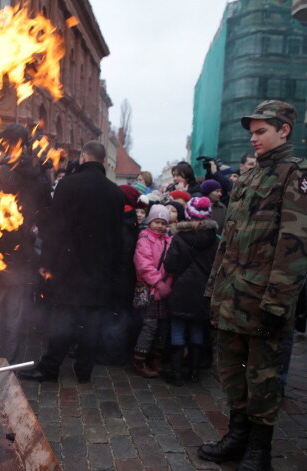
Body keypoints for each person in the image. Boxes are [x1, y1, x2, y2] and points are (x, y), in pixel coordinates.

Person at [199, 100, 307, 471]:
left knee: (262, 377)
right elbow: (227, 240)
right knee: (232, 370)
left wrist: (277, 302)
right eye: (252, 131)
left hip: (264, 300)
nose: (253, 137)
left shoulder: (295, 175)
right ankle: (236, 438)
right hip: (233, 297)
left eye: (262, 131)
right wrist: (214, 289)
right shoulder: (248, 178)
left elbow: (295, 245)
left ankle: (259, 451)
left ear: (284, 130)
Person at [19, 141, 124, 383]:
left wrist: (46, 262)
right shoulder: (115, 192)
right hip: (100, 269)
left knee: (63, 318)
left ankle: (50, 367)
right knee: (92, 322)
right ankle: (84, 370)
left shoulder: (68, 185)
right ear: (103, 161)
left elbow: (56, 229)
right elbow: (118, 236)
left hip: (69, 267)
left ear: (84, 157)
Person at [0, 123, 47, 365]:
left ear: (4, 143)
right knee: (13, 315)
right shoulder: (38, 174)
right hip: (21, 254)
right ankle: (8, 364)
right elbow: (45, 212)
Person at [163, 197, 218, 386]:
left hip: (181, 289)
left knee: (178, 327)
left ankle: (176, 372)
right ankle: (194, 372)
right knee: (197, 328)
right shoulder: (214, 240)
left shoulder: (179, 237)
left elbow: (170, 264)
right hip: (203, 291)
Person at [97, 185, 148, 366]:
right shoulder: (131, 222)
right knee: (119, 317)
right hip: (124, 280)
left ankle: (112, 354)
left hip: (118, 280)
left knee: (115, 318)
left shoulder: (120, 222)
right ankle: (115, 353)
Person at [131, 204, 173, 378]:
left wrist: (167, 284)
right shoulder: (144, 240)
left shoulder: (169, 240)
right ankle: (139, 361)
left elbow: (171, 266)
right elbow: (144, 266)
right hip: (150, 290)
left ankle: (155, 359)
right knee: (149, 327)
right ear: (150, 222)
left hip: (164, 291)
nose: (160, 226)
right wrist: (159, 283)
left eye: (163, 222)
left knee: (163, 327)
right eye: (157, 221)